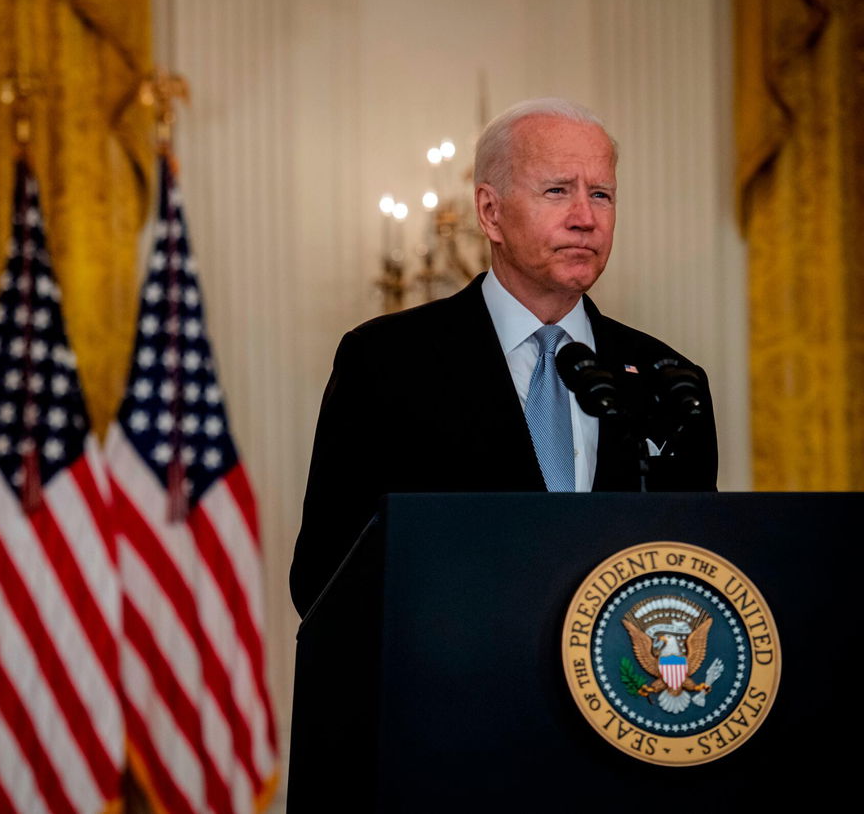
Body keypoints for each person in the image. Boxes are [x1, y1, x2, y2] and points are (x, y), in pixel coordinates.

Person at [289, 98, 717, 618]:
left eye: (601, 195)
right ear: (490, 212)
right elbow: (326, 576)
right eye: (557, 191)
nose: (585, 218)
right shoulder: (386, 363)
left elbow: (694, 572)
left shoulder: (667, 379)